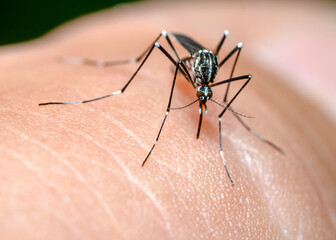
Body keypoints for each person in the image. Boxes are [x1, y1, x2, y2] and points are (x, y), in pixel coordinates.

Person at [0, 1, 335, 239]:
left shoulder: (213, 86)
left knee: (239, 65)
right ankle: (115, 83)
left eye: (206, 96)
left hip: (209, 63)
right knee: (166, 44)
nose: (204, 101)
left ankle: (235, 127)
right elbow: (179, 63)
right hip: (195, 59)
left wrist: (228, 122)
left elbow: (236, 76)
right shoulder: (189, 70)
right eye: (205, 97)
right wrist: (161, 125)